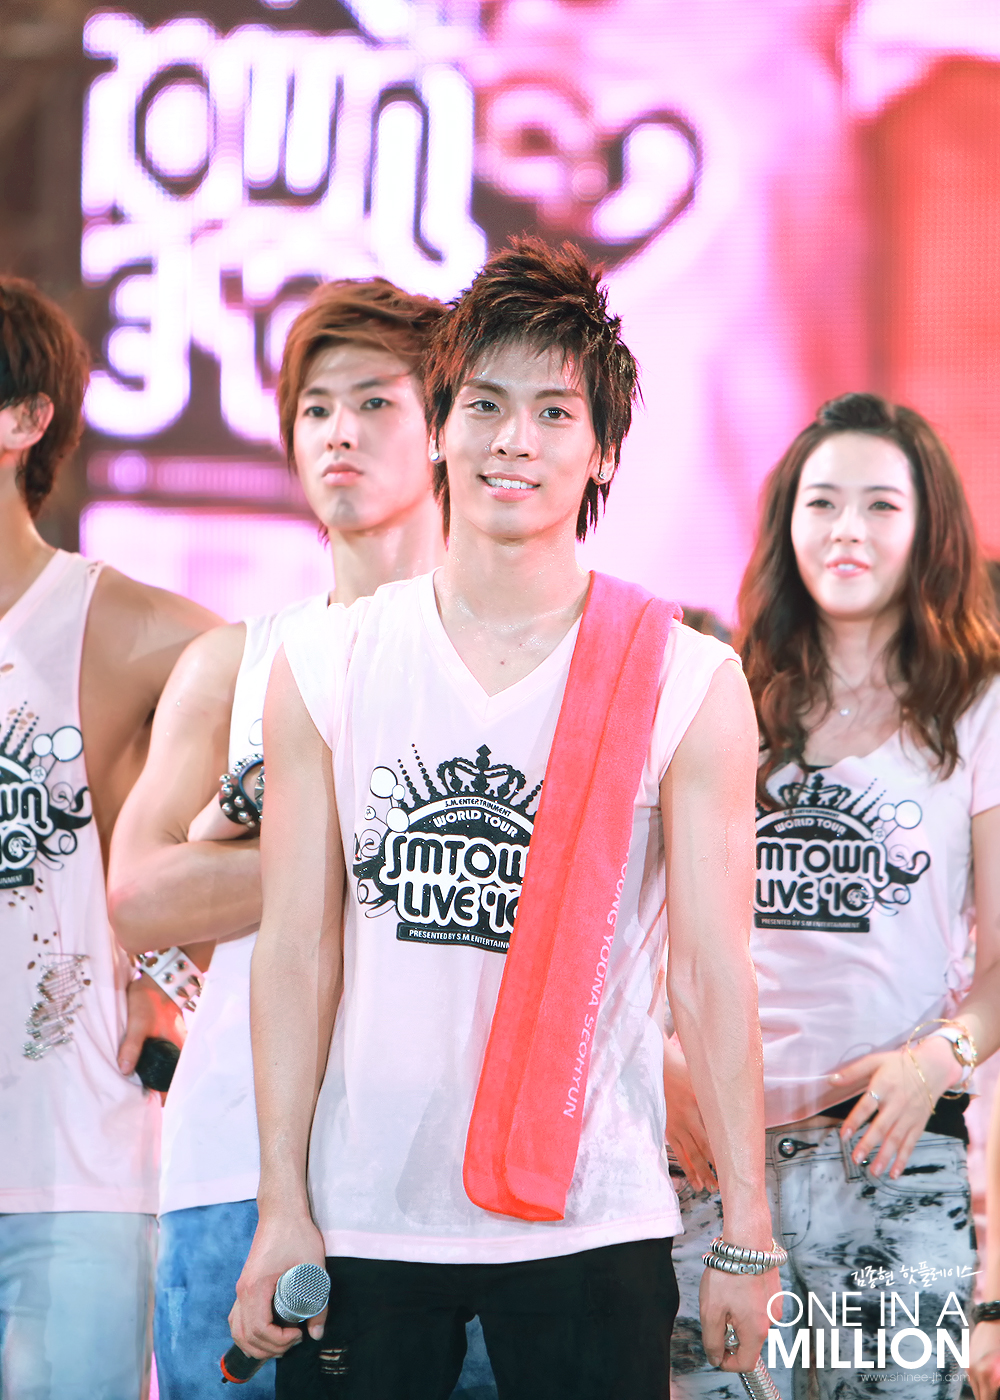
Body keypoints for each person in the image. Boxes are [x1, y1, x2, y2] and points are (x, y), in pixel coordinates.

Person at [228, 237, 775, 1400]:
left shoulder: (683, 680)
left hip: (590, 1223)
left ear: (603, 450)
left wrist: (745, 1227)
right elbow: (296, 949)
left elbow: (712, 974)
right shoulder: (324, 660)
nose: (512, 439)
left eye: (552, 412)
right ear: (439, 427)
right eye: (482, 404)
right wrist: (281, 1200)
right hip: (364, 1222)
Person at [108, 277, 452, 1399]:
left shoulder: (511, 668)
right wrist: (375, 859)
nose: (338, 431)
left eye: (374, 401)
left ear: (446, 427)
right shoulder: (235, 661)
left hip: (447, 1177)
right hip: (233, 1164)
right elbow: (143, 893)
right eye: (315, 408)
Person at [667, 392, 1000, 1400]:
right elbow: (641, 925)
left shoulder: (979, 707)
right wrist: (662, 1057)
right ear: (785, 524)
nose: (847, 529)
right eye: (821, 503)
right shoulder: (719, 693)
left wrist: (941, 1054)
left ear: (928, 529)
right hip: (718, 1163)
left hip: (894, 1153)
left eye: (880, 505)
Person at [0, 277, 218, 1399]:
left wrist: (173, 961)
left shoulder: (109, 621)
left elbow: (290, 728)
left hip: (69, 1172)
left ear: (25, 417)